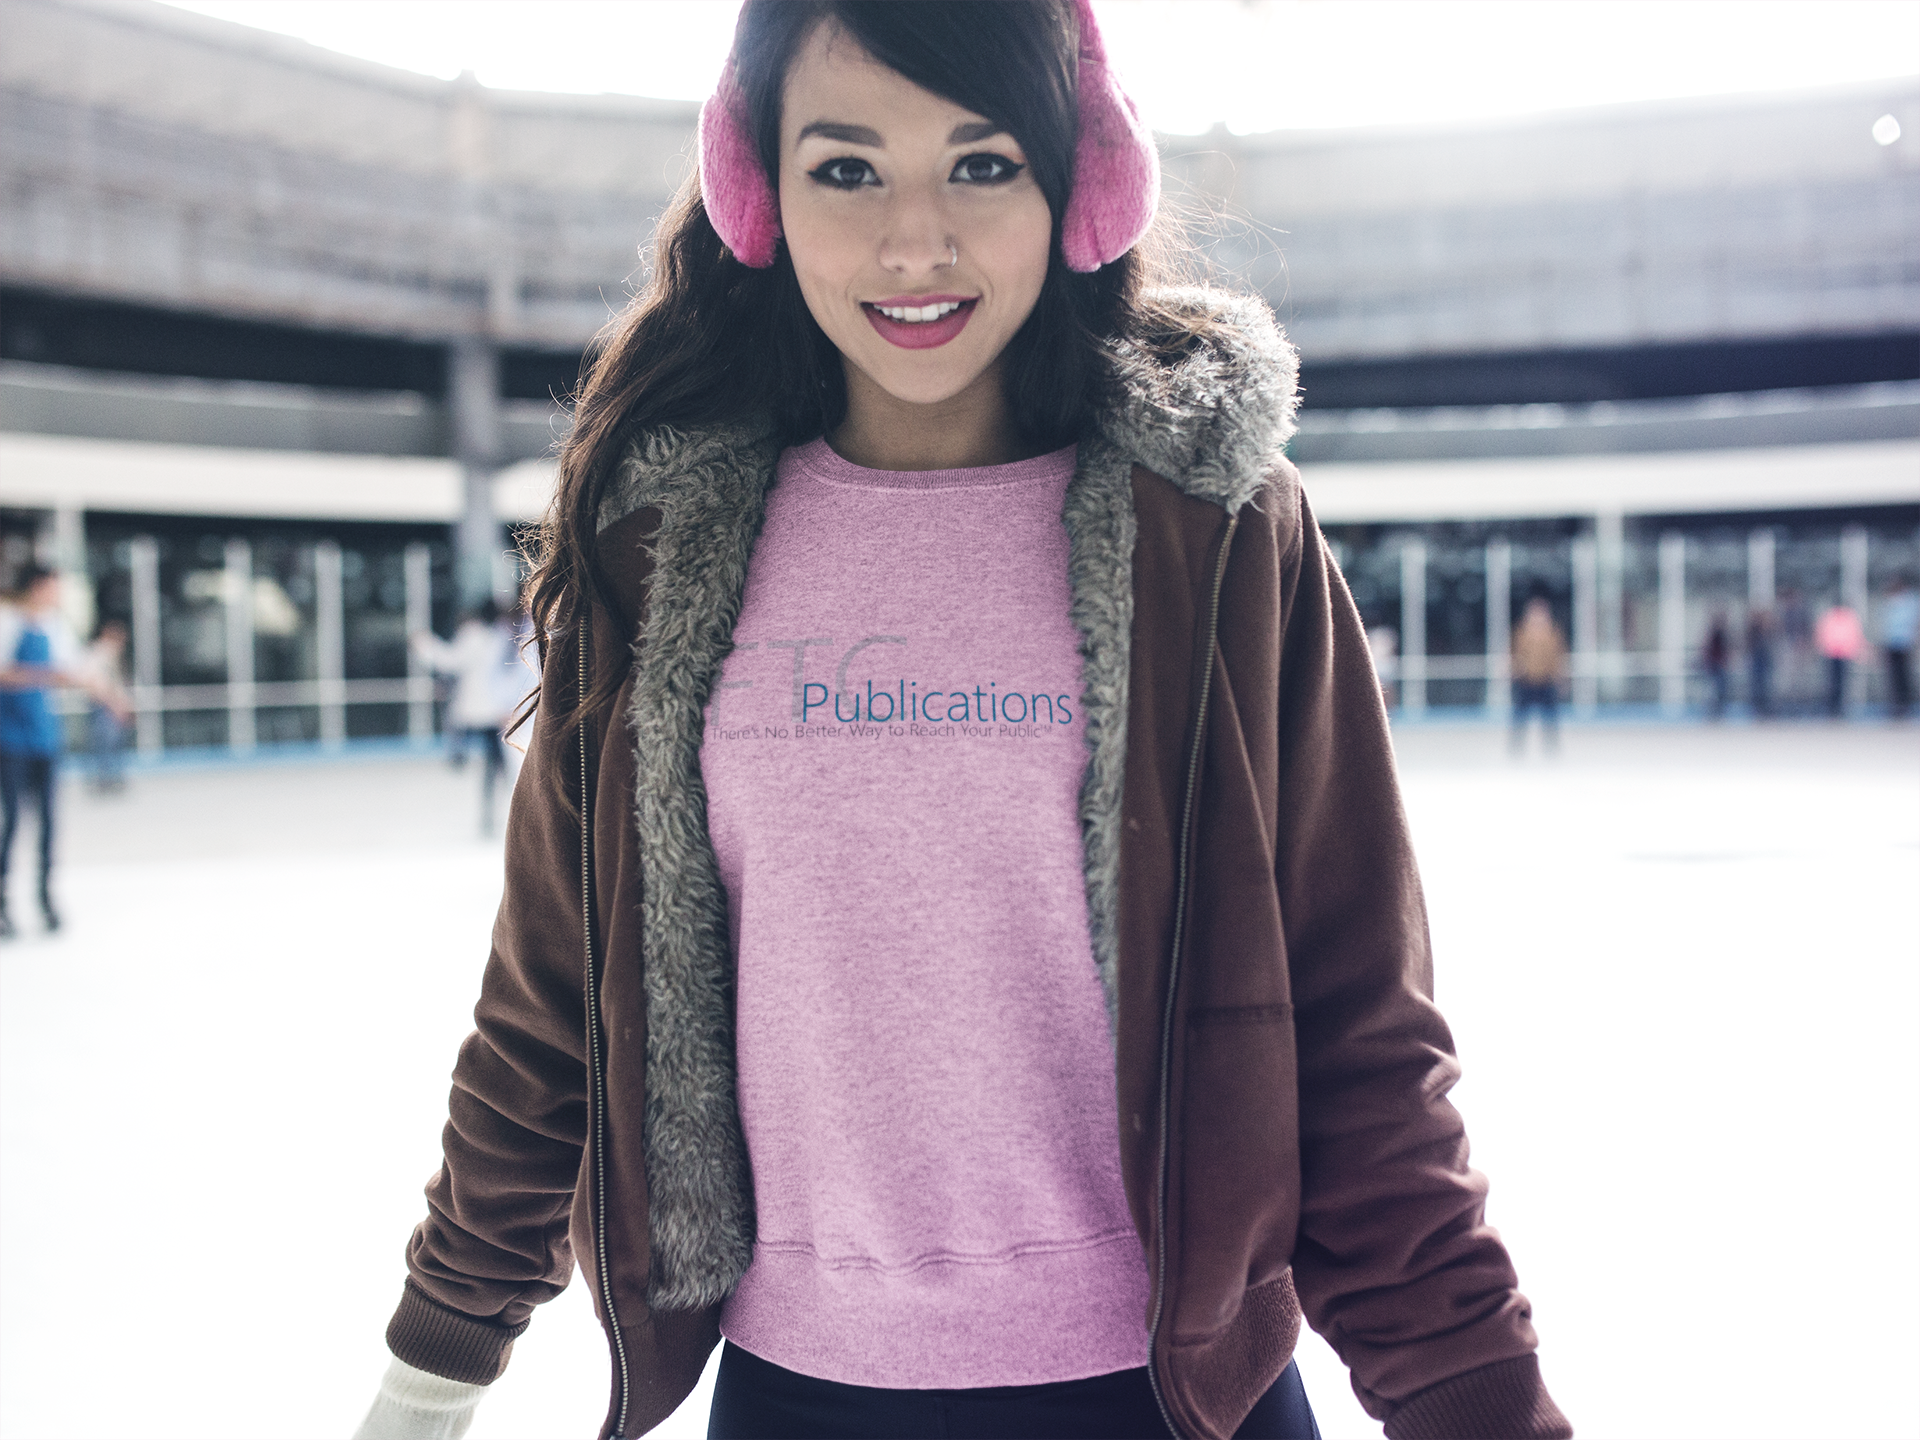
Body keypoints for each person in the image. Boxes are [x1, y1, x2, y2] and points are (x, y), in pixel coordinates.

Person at [356, 6, 1571, 1439]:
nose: (914, 243)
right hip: (799, 1393)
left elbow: (1357, 1030)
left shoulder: (1215, 530)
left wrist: (1479, 1402)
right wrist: (433, 1371)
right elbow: (553, 1008)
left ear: (1080, 185)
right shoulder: (659, 547)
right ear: (758, 194)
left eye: (981, 165)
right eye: (847, 170)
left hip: (1173, 1398)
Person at [0, 565, 130, 934]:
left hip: (44, 738)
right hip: (9, 739)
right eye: (54, 589)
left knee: (48, 824)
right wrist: (46, 676)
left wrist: (112, 698)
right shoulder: (7, 622)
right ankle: (3, 902)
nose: (58, 596)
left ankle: (45, 898)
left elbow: (77, 671)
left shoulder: (54, 627)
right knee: (11, 823)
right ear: (37, 587)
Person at [410, 599, 521, 834]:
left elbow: (450, 661)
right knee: (498, 765)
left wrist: (424, 646)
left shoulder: (475, 636)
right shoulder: (504, 635)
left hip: (484, 712)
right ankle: (497, 813)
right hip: (499, 711)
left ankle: (490, 811)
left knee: (493, 764)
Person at [1510, 594, 1566, 754]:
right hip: (1526, 681)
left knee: (1550, 718)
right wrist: (1514, 670)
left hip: (1546, 681)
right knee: (1519, 717)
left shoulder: (1553, 633)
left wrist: (1560, 678)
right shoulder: (1521, 632)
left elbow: (1558, 658)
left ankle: (1552, 749)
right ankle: (1516, 749)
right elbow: (1514, 654)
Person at [85, 619, 132, 792]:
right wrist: (114, 705)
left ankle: (112, 777)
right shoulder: (99, 654)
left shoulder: (112, 656)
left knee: (114, 744)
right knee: (105, 744)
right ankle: (104, 779)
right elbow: (98, 684)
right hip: (104, 706)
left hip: (113, 706)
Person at [1815, 599, 1865, 718]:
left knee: (1842, 683)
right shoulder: (1830, 616)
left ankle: (1840, 707)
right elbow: (1823, 634)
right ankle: (1832, 707)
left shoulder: (1847, 617)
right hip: (1831, 654)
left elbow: (1853, 635)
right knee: (1832, 683)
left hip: (1844, 655)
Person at [1881, 575, 1917, 719]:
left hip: (1905, 644)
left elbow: (1914, 623)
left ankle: (1905, 706)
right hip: (1891, 644)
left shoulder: (1911, 601)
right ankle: (1895, 706)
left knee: (1904, 676)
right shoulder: (1890, 602)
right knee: (1893, 677)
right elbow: (1886, 625)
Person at [1746, 605, 1775, 719]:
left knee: (1765, 686)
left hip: (1764, 662)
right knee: (1757, 685)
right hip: (1757, 662)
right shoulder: (1753, 630)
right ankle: (1758, 708)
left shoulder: (1768, 631)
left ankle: (1764, 708)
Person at [1702, 609, 1731, 720]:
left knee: (1720, 690)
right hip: (1715, 665)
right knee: (1715, 690)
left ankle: (1718, 712)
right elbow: (1708, 649)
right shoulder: (1714, 633)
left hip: (1719, 666)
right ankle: (1714, 712)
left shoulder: (1722, 633)